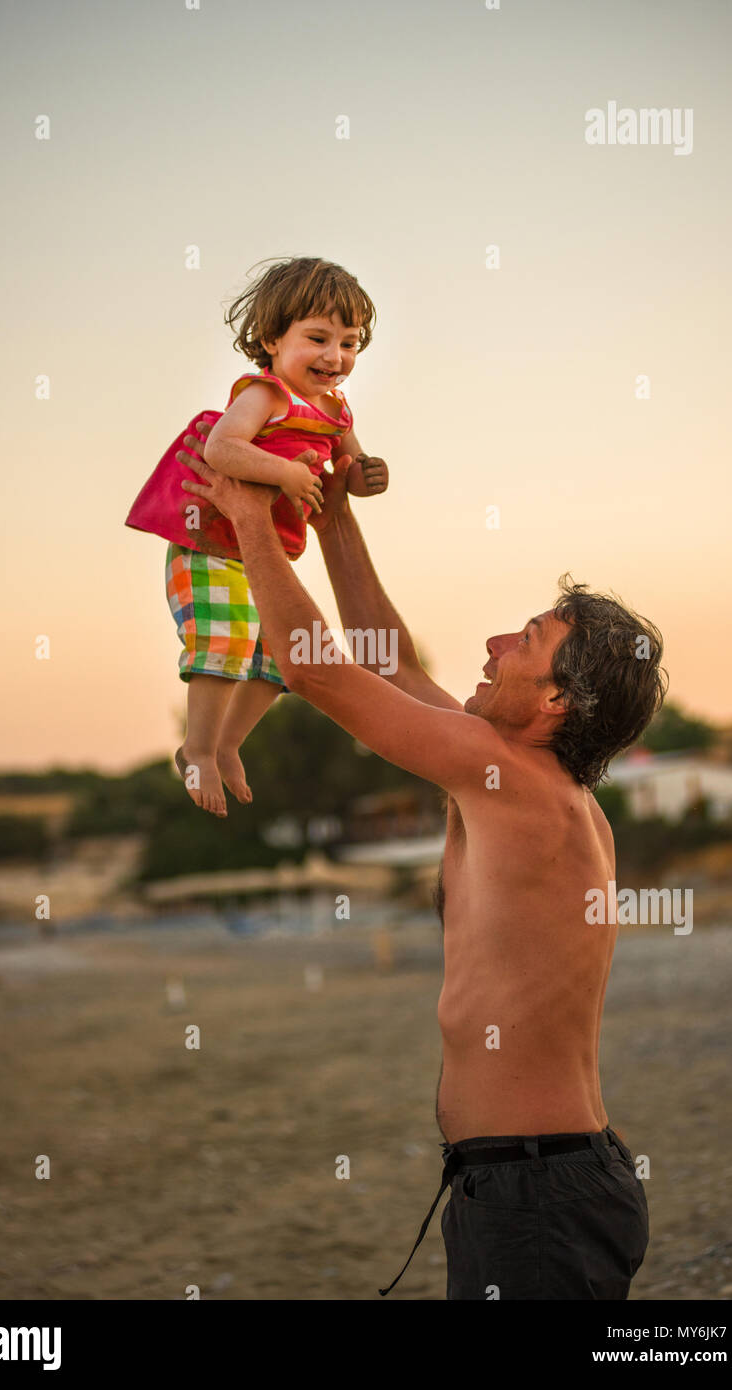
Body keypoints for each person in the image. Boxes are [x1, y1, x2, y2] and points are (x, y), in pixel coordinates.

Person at [176, 421, 666, 1300]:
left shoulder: (519, 785)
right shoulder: (512, 774)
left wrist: (251, 517)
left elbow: (319, 671)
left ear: (556, 699)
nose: (489, 647)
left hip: (539, 1194)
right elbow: (386, 662)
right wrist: (327, 516)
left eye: (521, 641)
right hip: (520, 1182)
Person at [125, 256, 388, 816]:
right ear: (272, 338)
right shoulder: (265, 394)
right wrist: (285, 473)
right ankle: (196, 748)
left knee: (281, 658)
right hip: (211, 546)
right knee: (226, 638)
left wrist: (367, 477)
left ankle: (227, 743)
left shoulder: (335, 409)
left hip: (263, 557)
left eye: (349, 343)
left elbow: (349, 470)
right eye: (317, 338)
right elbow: (222, 448)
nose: (334, 357)